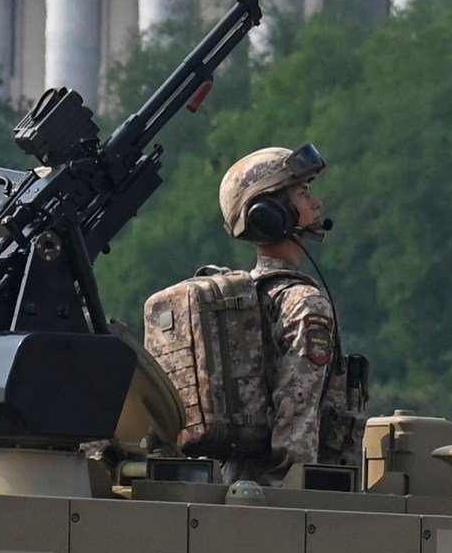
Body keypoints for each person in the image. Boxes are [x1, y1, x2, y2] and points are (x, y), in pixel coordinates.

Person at [143, 146, 368, 487]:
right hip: (288, 497)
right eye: (303, 193)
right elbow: (298, 416)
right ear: (270, 212)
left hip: (238, 485)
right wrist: (296, 495)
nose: (316, 203)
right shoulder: (305, 303)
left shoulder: (241, 301)